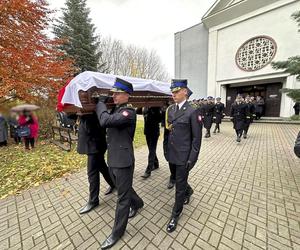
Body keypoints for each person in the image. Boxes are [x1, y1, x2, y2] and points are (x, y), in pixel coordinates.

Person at [96, 78, 144, 249]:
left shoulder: (128, 112)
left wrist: (100, 103)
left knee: (122, 198)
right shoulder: (116, 110)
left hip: (123, 161)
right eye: (113, 93)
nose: (114, 96)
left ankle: (117, 232)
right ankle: (138, 202)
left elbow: (105, 121)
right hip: (114, 159)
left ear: (127, 95)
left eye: (118, 93)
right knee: (124, 188)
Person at [163, 79, 202, 233]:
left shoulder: (193, 110)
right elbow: (168, 132)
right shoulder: (171, 109)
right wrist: (166, 150)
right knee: (178, 179)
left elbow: (196, 139)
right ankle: (189, 190)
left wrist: (192, 159)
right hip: (171, 154)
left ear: (185, 91)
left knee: (179, 186)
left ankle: (175, 215)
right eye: (172, 92)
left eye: (176, 91)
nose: (173, 94)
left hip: (184, 156)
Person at [77, 113, 115, 214]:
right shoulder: (86, 111)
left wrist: (83, 116)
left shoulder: (91, 112)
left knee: (92, 173)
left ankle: (94, 200)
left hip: (95, 146)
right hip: (94, 145)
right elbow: (70, 116)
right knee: (102, 167)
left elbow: (92, 129)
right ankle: (113, 184)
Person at [140, 107, 162, 179]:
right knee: (151, 150)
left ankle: (148, 171)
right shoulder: (145, 108)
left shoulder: (156, 108)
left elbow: (159, 119)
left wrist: (152, 110)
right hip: (147, 132)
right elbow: (137, 111)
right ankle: (156, 164)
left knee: (152, 151)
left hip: (154, 132)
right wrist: (144, 106)